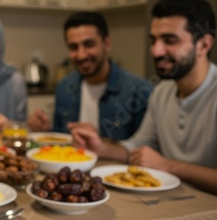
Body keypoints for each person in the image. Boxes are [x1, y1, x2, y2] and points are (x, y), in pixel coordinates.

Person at [72, 0, 217, 195]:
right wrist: (101, 147)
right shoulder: (162, 92)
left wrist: (168, 165)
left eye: (169, 40)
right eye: (154, 40)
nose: (156, 51)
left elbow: (162, 164)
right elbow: (137, 147)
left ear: (203, 45)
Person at [28, 12, 153, 141]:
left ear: (107, 44)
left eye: (89, 44)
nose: (81, 55)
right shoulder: (64, 87)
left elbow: (144, 150)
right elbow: (62, 142)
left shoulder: (138, 91)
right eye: (73, 47)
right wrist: (45, 132)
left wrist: (100, 142)